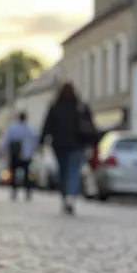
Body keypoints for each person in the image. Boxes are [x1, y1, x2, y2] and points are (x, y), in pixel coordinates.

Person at [41, 81, 98, 215]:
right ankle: (71, 198)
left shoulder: (55, 107)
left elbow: (47, 125)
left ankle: (65, 197)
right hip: (77, 144)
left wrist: (42, 141)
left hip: (59, 144)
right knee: (73, 172)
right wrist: (93, 141)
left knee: (63, 172)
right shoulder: (80, 107)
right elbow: (90, 125)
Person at [2, 111, 39, 201]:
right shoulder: (31, 129)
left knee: (13, 173)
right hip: (26, 155)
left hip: (15, 154)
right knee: (27, 174)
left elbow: (6, 141)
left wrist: (3, 149)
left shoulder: (12, 128)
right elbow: (36, 140)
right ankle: (28, 192)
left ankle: (14, 191)